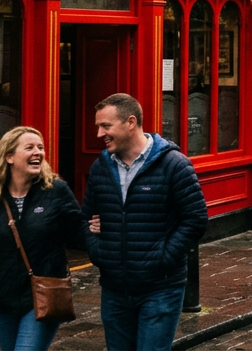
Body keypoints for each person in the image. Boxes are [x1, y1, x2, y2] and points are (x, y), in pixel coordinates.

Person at [83, 94, 207, 351]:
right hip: (115, 288)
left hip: (160, 288)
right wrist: (99, 252)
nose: (99, 134)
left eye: (106, 126)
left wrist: (162, 258)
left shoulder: (174, 164)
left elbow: (195, 219)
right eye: (98, 126)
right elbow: (87, 218)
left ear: (131, 122)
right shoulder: (100, 167)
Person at [0, 127, 85, 351]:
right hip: (2, 298)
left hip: (43, 295)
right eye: (29, 147)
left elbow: (78, 234)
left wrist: (98, 229)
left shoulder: (56, 190)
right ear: (9, 157)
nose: (37, 152)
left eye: (40, 147)